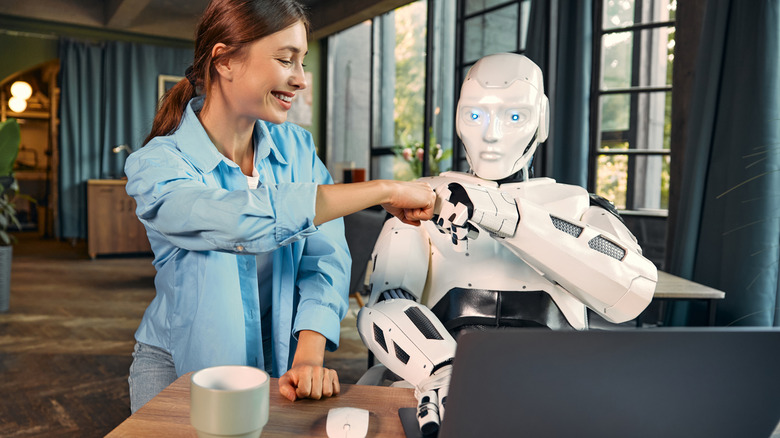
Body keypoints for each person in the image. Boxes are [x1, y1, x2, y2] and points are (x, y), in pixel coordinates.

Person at [124, 0, 435, 413]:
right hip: (182, 368)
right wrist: (382, 190)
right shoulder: (157, 164)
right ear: (225, 60)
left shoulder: (298, 149)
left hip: (282, 363)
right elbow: (238, 221)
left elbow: (325, 257)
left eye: (302, 62)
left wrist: (308, 355)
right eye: (287, 60)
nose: (301, 80)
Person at [356, 53, 658, 434]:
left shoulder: (576, 205)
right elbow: (385, 306)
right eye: (475, 116)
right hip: (439, 391)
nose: (491, 135)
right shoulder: (422, 200)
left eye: (514, 116)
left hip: (554, 392)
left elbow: (633, 290)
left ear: (541, 121)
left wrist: (508, 217)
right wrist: (447, 372)